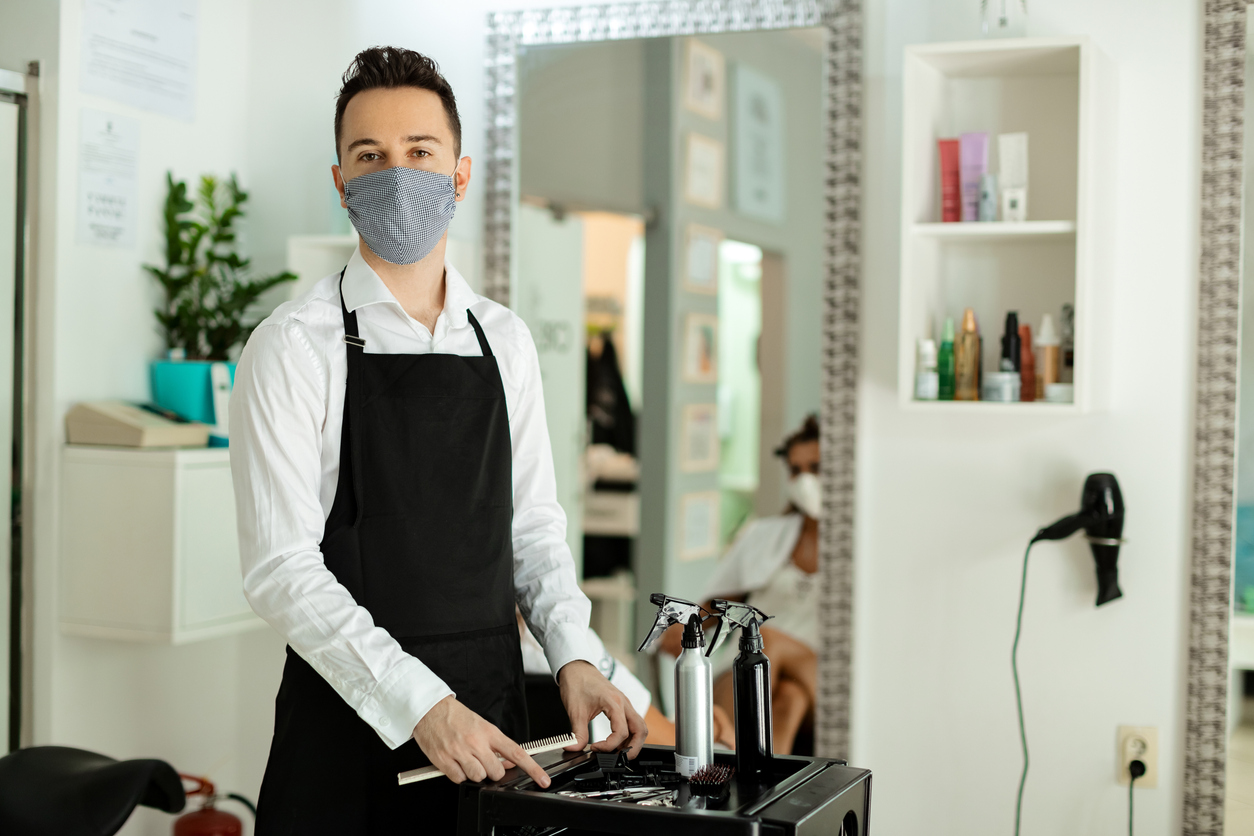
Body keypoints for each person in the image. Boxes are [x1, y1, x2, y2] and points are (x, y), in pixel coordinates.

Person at [230, 47, 645, 834]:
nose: (397, 174)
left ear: (458, 175)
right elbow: (281, 569)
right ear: (340, 183)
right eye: (370, 157)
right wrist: (421, 705)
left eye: (419, 153)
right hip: (347, 739)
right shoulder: (290, 347)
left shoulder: (506, 341)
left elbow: (532, 530)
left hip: (493, 732)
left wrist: (575, 655)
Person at [658, 415, 822, 754]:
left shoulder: (864, 549)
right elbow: (714, 606)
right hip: (775, 674)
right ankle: (766, 789)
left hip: (820, 670)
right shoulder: (765, 536)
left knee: (765, 640)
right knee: (788, 699)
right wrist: (685, 627)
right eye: (796, 470)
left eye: (816, 468)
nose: (805, 480)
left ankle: (726, 752)